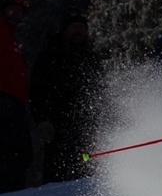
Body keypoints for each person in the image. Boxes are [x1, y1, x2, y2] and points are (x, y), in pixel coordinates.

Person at [30, 11, 106, 183]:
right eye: (74, 27)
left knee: (86, 168)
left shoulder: (91, 58)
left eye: (81, 28)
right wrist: (41, 119)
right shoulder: (50, 56)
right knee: (57, 171)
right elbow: (37, 90)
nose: (78, 31)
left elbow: (101, 91)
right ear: (65, 30)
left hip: (87, 124)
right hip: (57, 124)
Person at [0, 0, 33, 193]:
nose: (17, 14)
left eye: (20, 11)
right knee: (11, 154)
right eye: (12, 9)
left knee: (20, 153)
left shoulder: (11, 36)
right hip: (3, 99)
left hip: (14, 101)